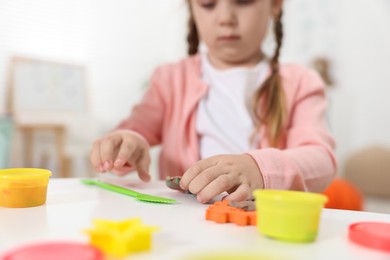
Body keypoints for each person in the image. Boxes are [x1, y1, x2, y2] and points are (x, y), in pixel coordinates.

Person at [90, 0, 337, 204]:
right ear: (192, 9)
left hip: (262, 225)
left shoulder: (300, 81)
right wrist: (125, 144)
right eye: (208, 4)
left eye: (243, 2)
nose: (225, 18)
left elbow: (321, 160)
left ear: (275, 5)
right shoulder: (170, 79)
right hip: (185, 223)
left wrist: (260, 169)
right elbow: (136, 130)